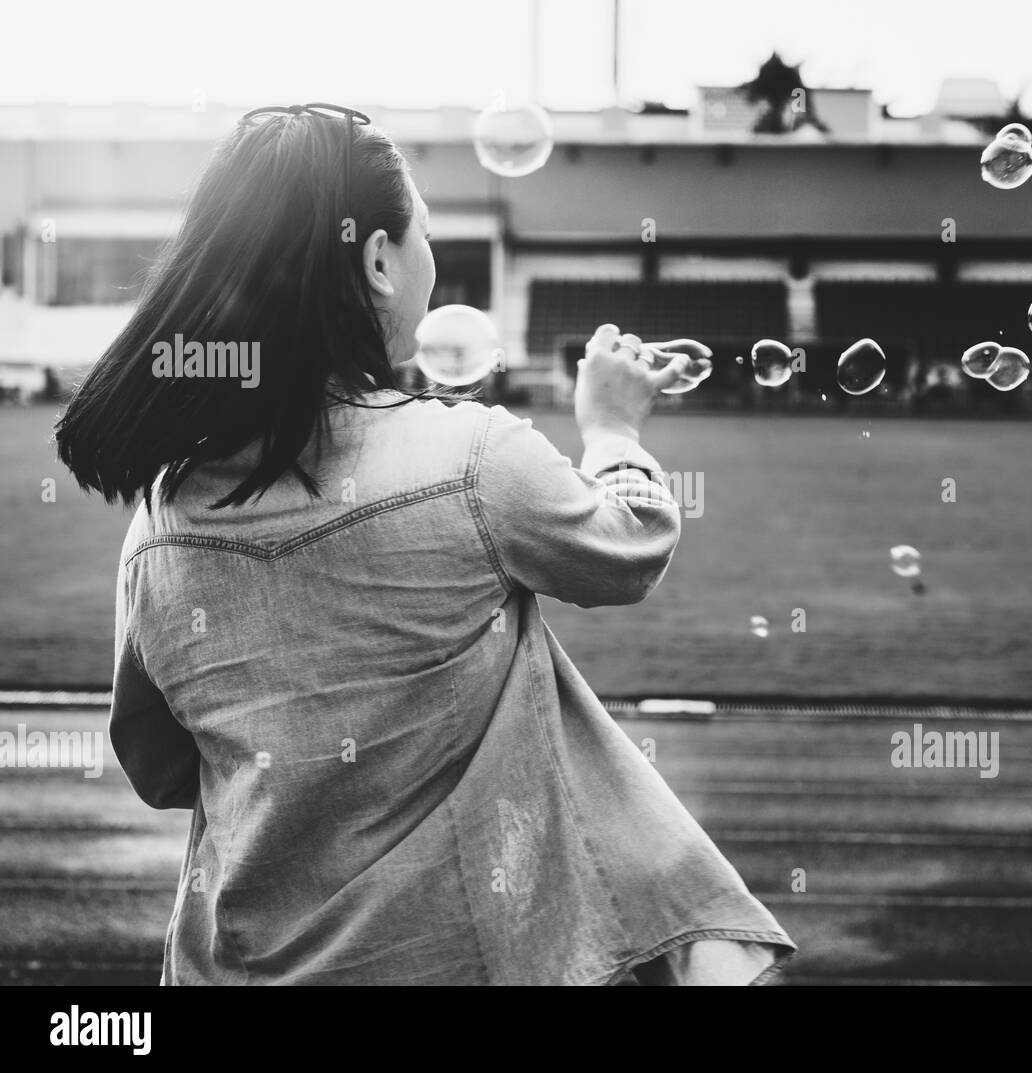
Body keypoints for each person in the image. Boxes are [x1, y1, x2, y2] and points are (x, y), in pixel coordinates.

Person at [54, 104, 794, 985]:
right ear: (376, 260)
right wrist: (613, 427)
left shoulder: (158, 525)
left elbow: (161, 767)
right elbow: (630, 544)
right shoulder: (475, 460)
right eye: (425, 235)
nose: (431, 261)